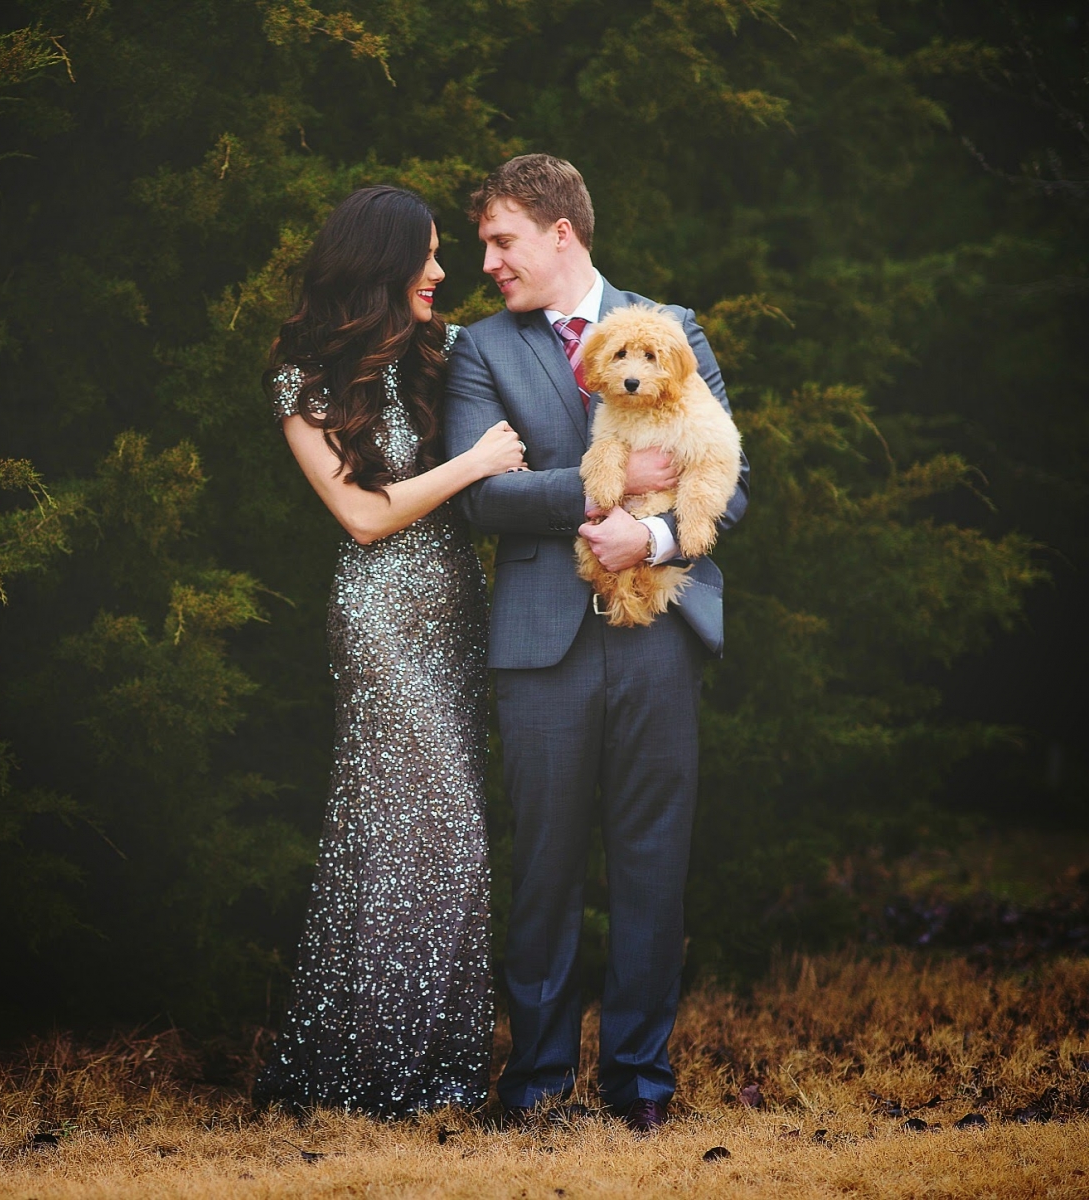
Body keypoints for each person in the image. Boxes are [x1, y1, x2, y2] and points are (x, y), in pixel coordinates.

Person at [444, 155, 750, 1133]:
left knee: (652, 864)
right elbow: (480, 495)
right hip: (542, 649)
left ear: (558, 231)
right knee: (542, 866)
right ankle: (533, 1084)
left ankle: (640, 1086)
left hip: (659, 629)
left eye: (501, 240)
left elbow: (727, 479)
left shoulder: (673, 328)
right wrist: (599, 490)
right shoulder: (479, 350)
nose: (488, 261)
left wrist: (653, 536)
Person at [253, 185, 526, 1117]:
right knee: (426, 825)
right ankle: (381, 1075)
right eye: (430, 256)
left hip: (455, 616)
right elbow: (364, 516)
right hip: (378, 624)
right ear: (381, 264)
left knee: (428, 837)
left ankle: (426, 1069)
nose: (444, 274)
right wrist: (473, 464)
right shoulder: (303, 379)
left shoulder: (435, 357)